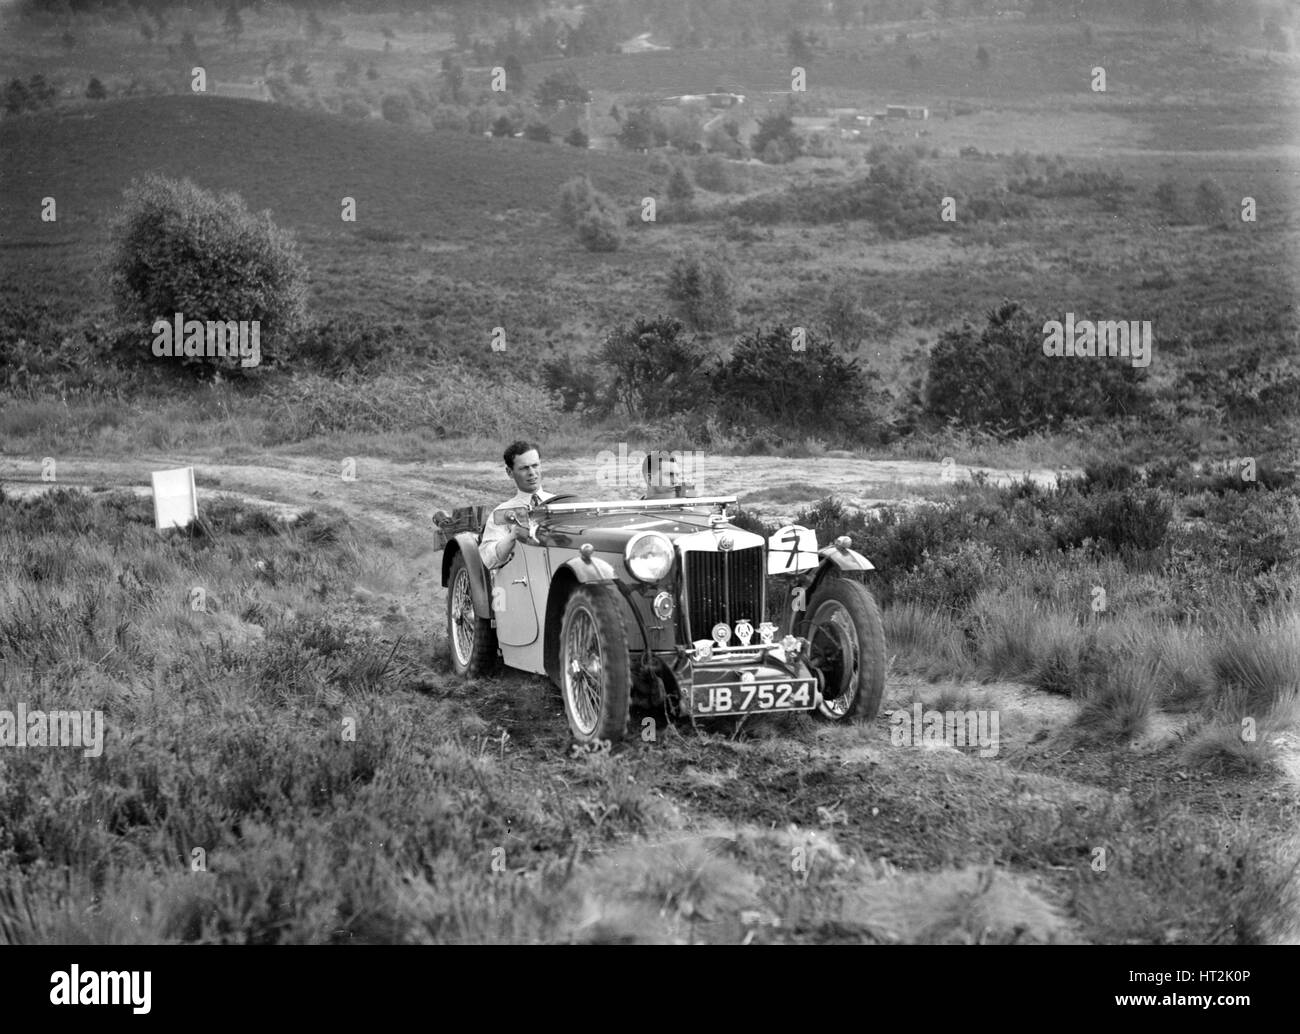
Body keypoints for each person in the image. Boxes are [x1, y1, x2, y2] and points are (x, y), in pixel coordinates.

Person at [479, 440, 555, 570]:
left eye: (535, 465)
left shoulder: (559, 503)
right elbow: (487, 559)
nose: (532, 472)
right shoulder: (501, 513)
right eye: (524, 468)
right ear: (509, 472)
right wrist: (513, 536)